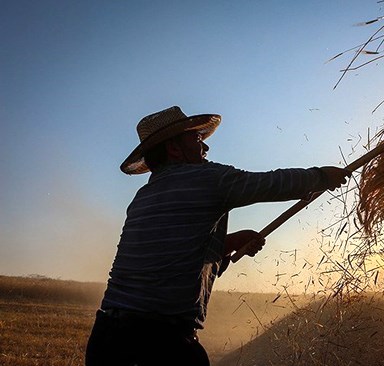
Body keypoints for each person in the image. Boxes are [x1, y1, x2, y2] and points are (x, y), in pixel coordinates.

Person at [85, 106, 350, 365]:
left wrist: (229, 243)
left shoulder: (143, 197)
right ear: (174, 148)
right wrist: (321, 176)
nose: (206, 147)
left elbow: (172, 257)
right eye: (197, 138)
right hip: (160, 341)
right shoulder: (206, 178)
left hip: (109, 339)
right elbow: (270, 184)